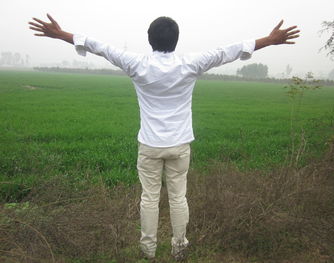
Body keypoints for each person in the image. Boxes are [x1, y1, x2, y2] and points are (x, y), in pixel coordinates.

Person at [29, 14, 300, 261]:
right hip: (180, 145)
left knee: (149, 198)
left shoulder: (136, 64)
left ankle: (148, 250)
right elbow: (229, 51)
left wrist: (61, 35)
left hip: (149, 145)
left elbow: (99, 46)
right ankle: (179, 248)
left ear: (149, 39)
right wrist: (270, 40)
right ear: (176, 39)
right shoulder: (190, 64)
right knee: (178, 197)